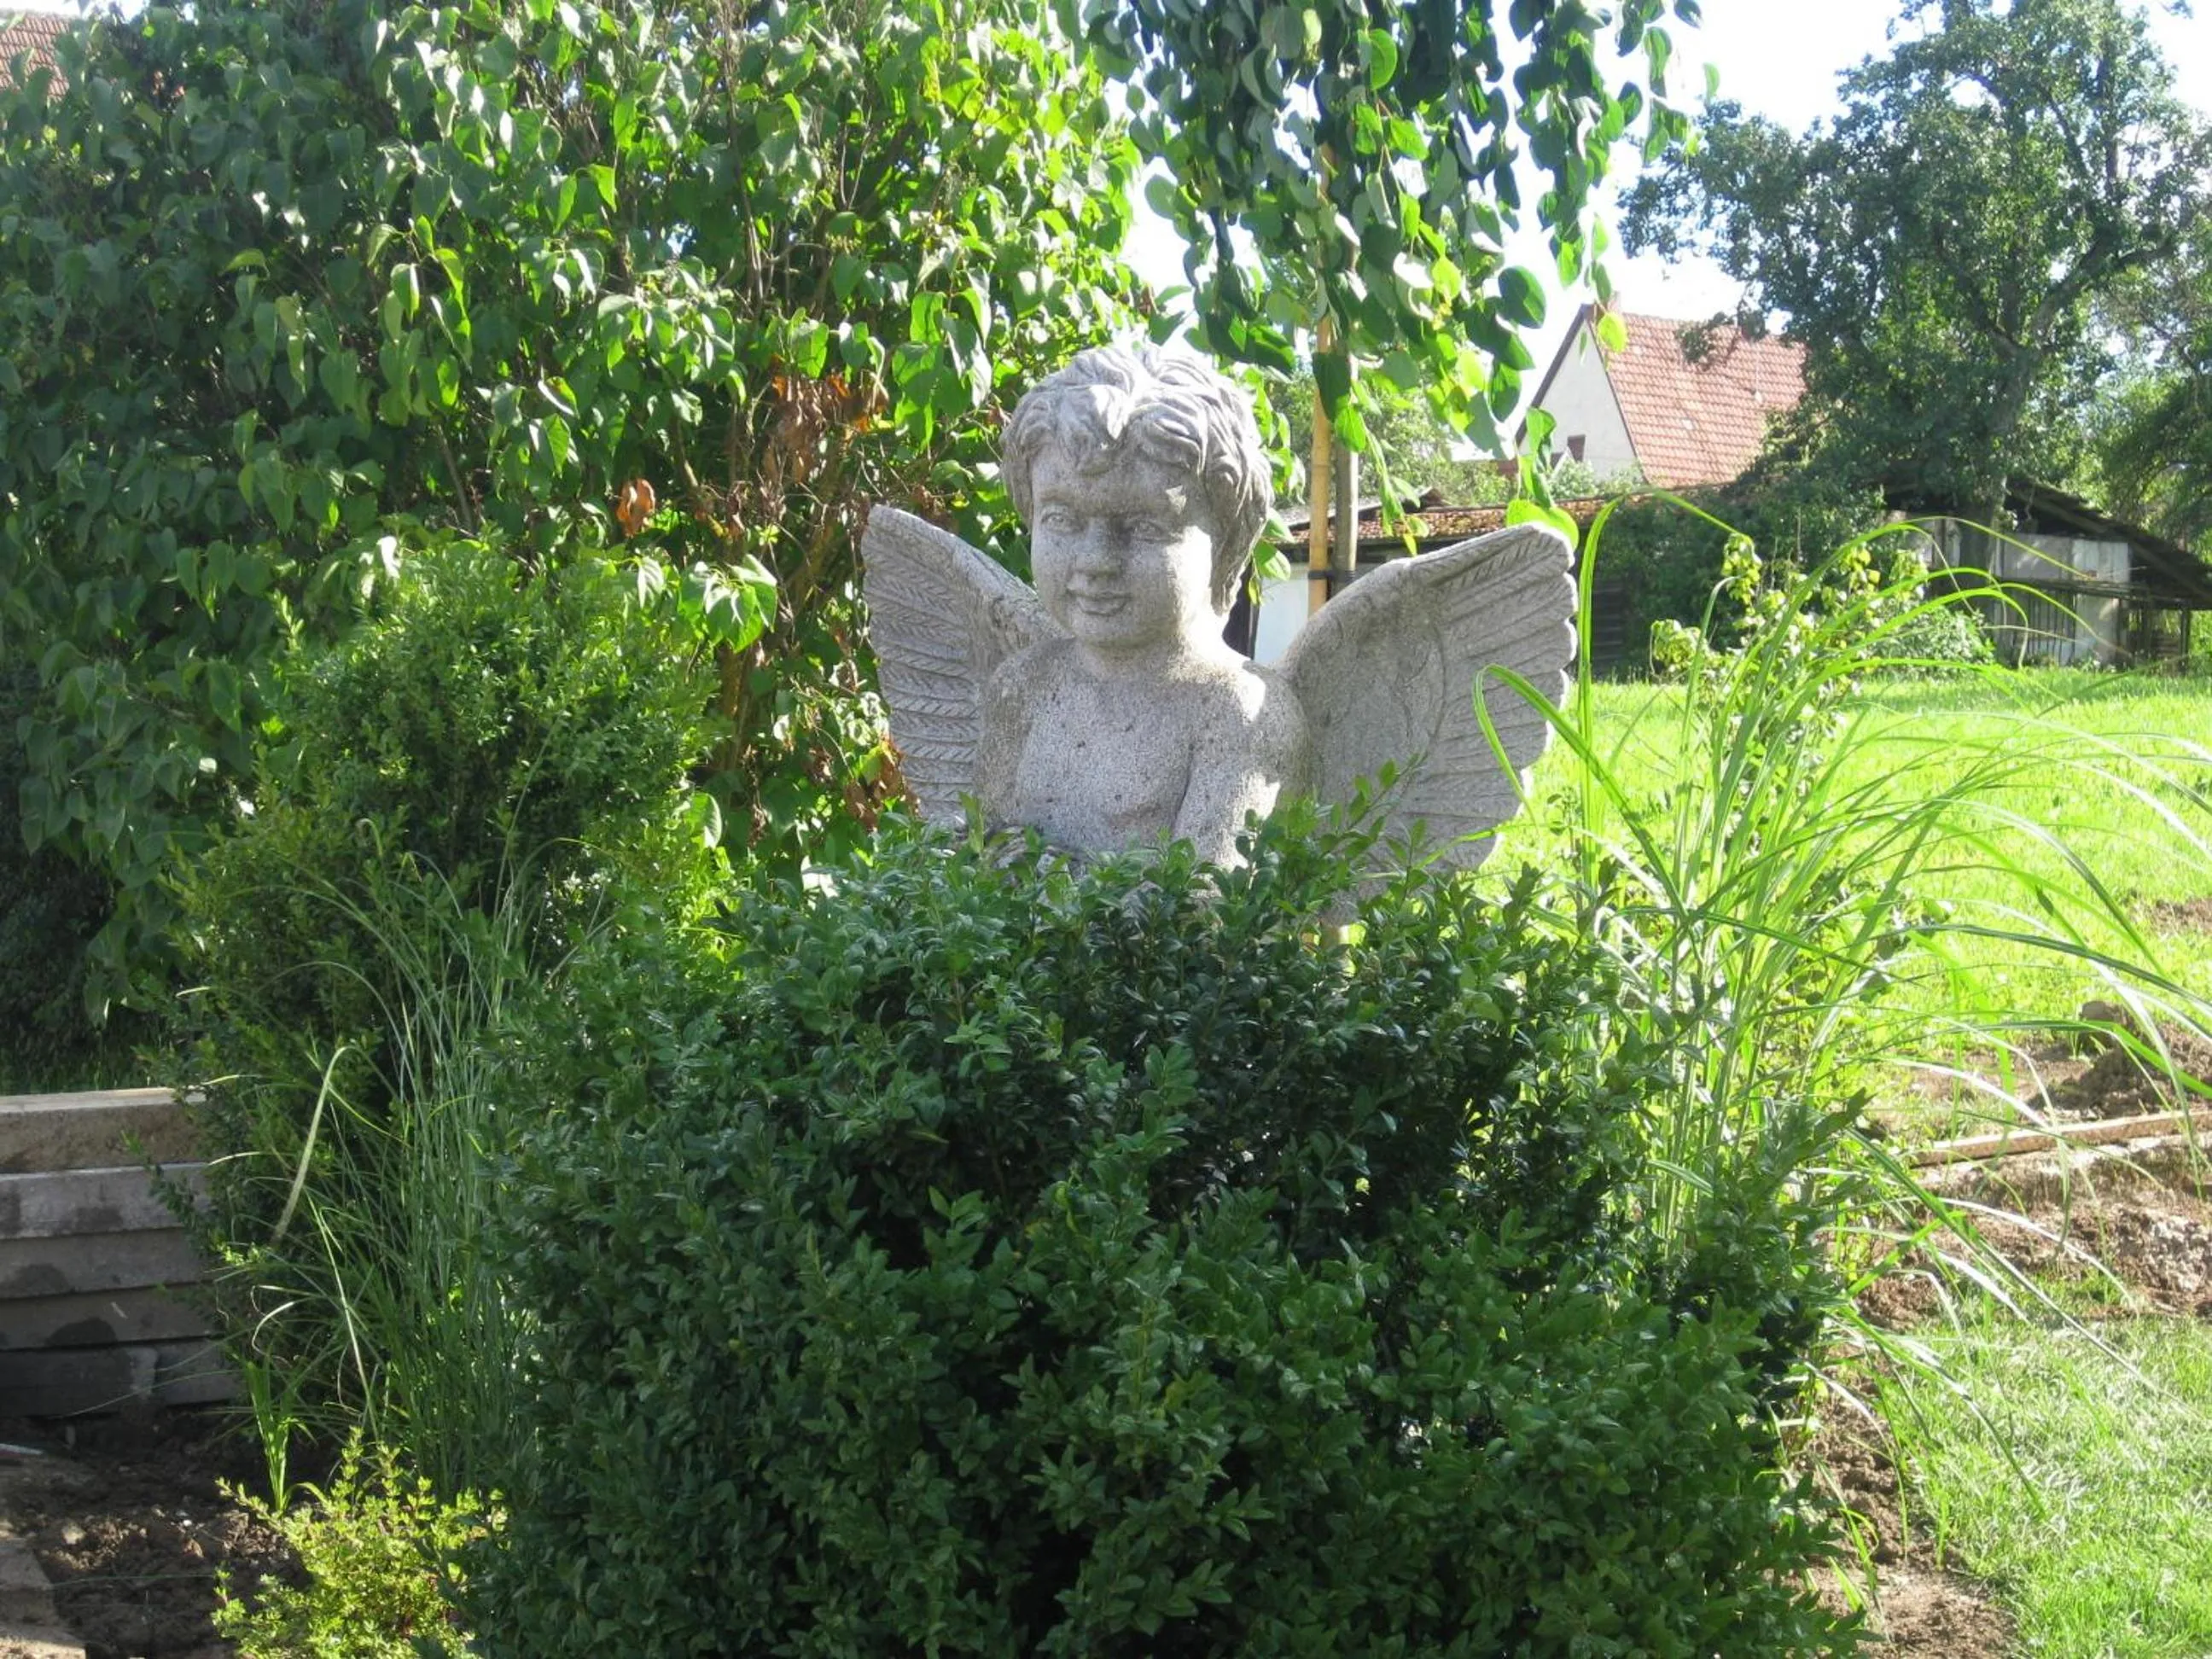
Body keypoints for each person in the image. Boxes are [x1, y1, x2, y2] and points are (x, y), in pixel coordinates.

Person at [977, 345, 1312, 864]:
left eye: (1145, 527)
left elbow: (1203, 914)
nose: (1095, 561)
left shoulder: (1237, 714)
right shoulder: (1021, 687)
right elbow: (972, 862)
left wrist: (1047, 873)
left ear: (1226, 542)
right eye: (1062, 520)